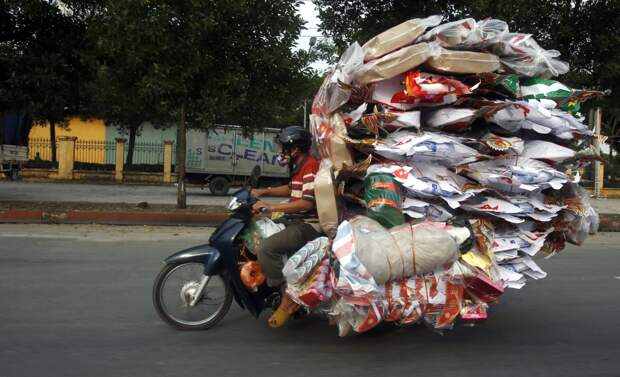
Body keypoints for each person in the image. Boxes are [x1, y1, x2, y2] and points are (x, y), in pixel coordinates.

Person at [251, 126, 322, 328]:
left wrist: (272, 206)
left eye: (284, 147)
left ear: (295, 149)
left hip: (308, 224)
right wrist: (264, 191)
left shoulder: (310, 166)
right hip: (295, 218)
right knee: (257, 224)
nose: (281, 152)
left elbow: (307, 203)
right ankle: (269, 278)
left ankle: (287, 295)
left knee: (267, 247)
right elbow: (292, 189)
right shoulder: (299, 165)